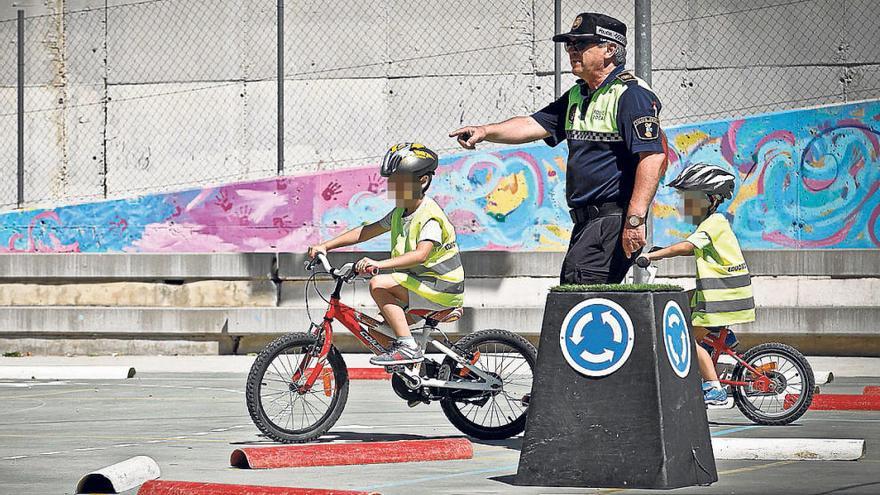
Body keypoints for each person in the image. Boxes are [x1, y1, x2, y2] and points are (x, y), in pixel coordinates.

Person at [450, 12, 666, 284]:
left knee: (579, 294)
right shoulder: (580, 94)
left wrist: (634, 221)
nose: (572, 50)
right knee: (580, 293)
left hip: (612, 219)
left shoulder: (630, 95)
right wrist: (485, 132)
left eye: (581, 44)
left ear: (610, 49)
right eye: (569, 45)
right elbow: (533, 124)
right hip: (587, 222)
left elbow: (652, 157)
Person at [308, 143, 465, 366]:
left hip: (440, 288)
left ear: (422, 180)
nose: (393, 187)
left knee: (378, 284)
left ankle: (409, 348)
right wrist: (326, 245)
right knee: (379, 332)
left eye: (401, 182)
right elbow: (366, 231)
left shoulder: (429, 216)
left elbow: (421, 255)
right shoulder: (400, 212)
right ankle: (418, 373)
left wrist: (378, 264)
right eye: (392, 181)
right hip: (420, 285)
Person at [639, 163, 756, 405]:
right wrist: (660, 251)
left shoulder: (714, 223)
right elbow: (690, 249)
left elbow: (686, 247)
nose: (683, 205)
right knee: (681, 299)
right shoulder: (712, 225)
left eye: (689, 198)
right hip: (724, 293)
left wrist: (652, 256)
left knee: (685, 340)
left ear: (711, 200)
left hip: (721, 297)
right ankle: (723, 337)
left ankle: (714, 389)